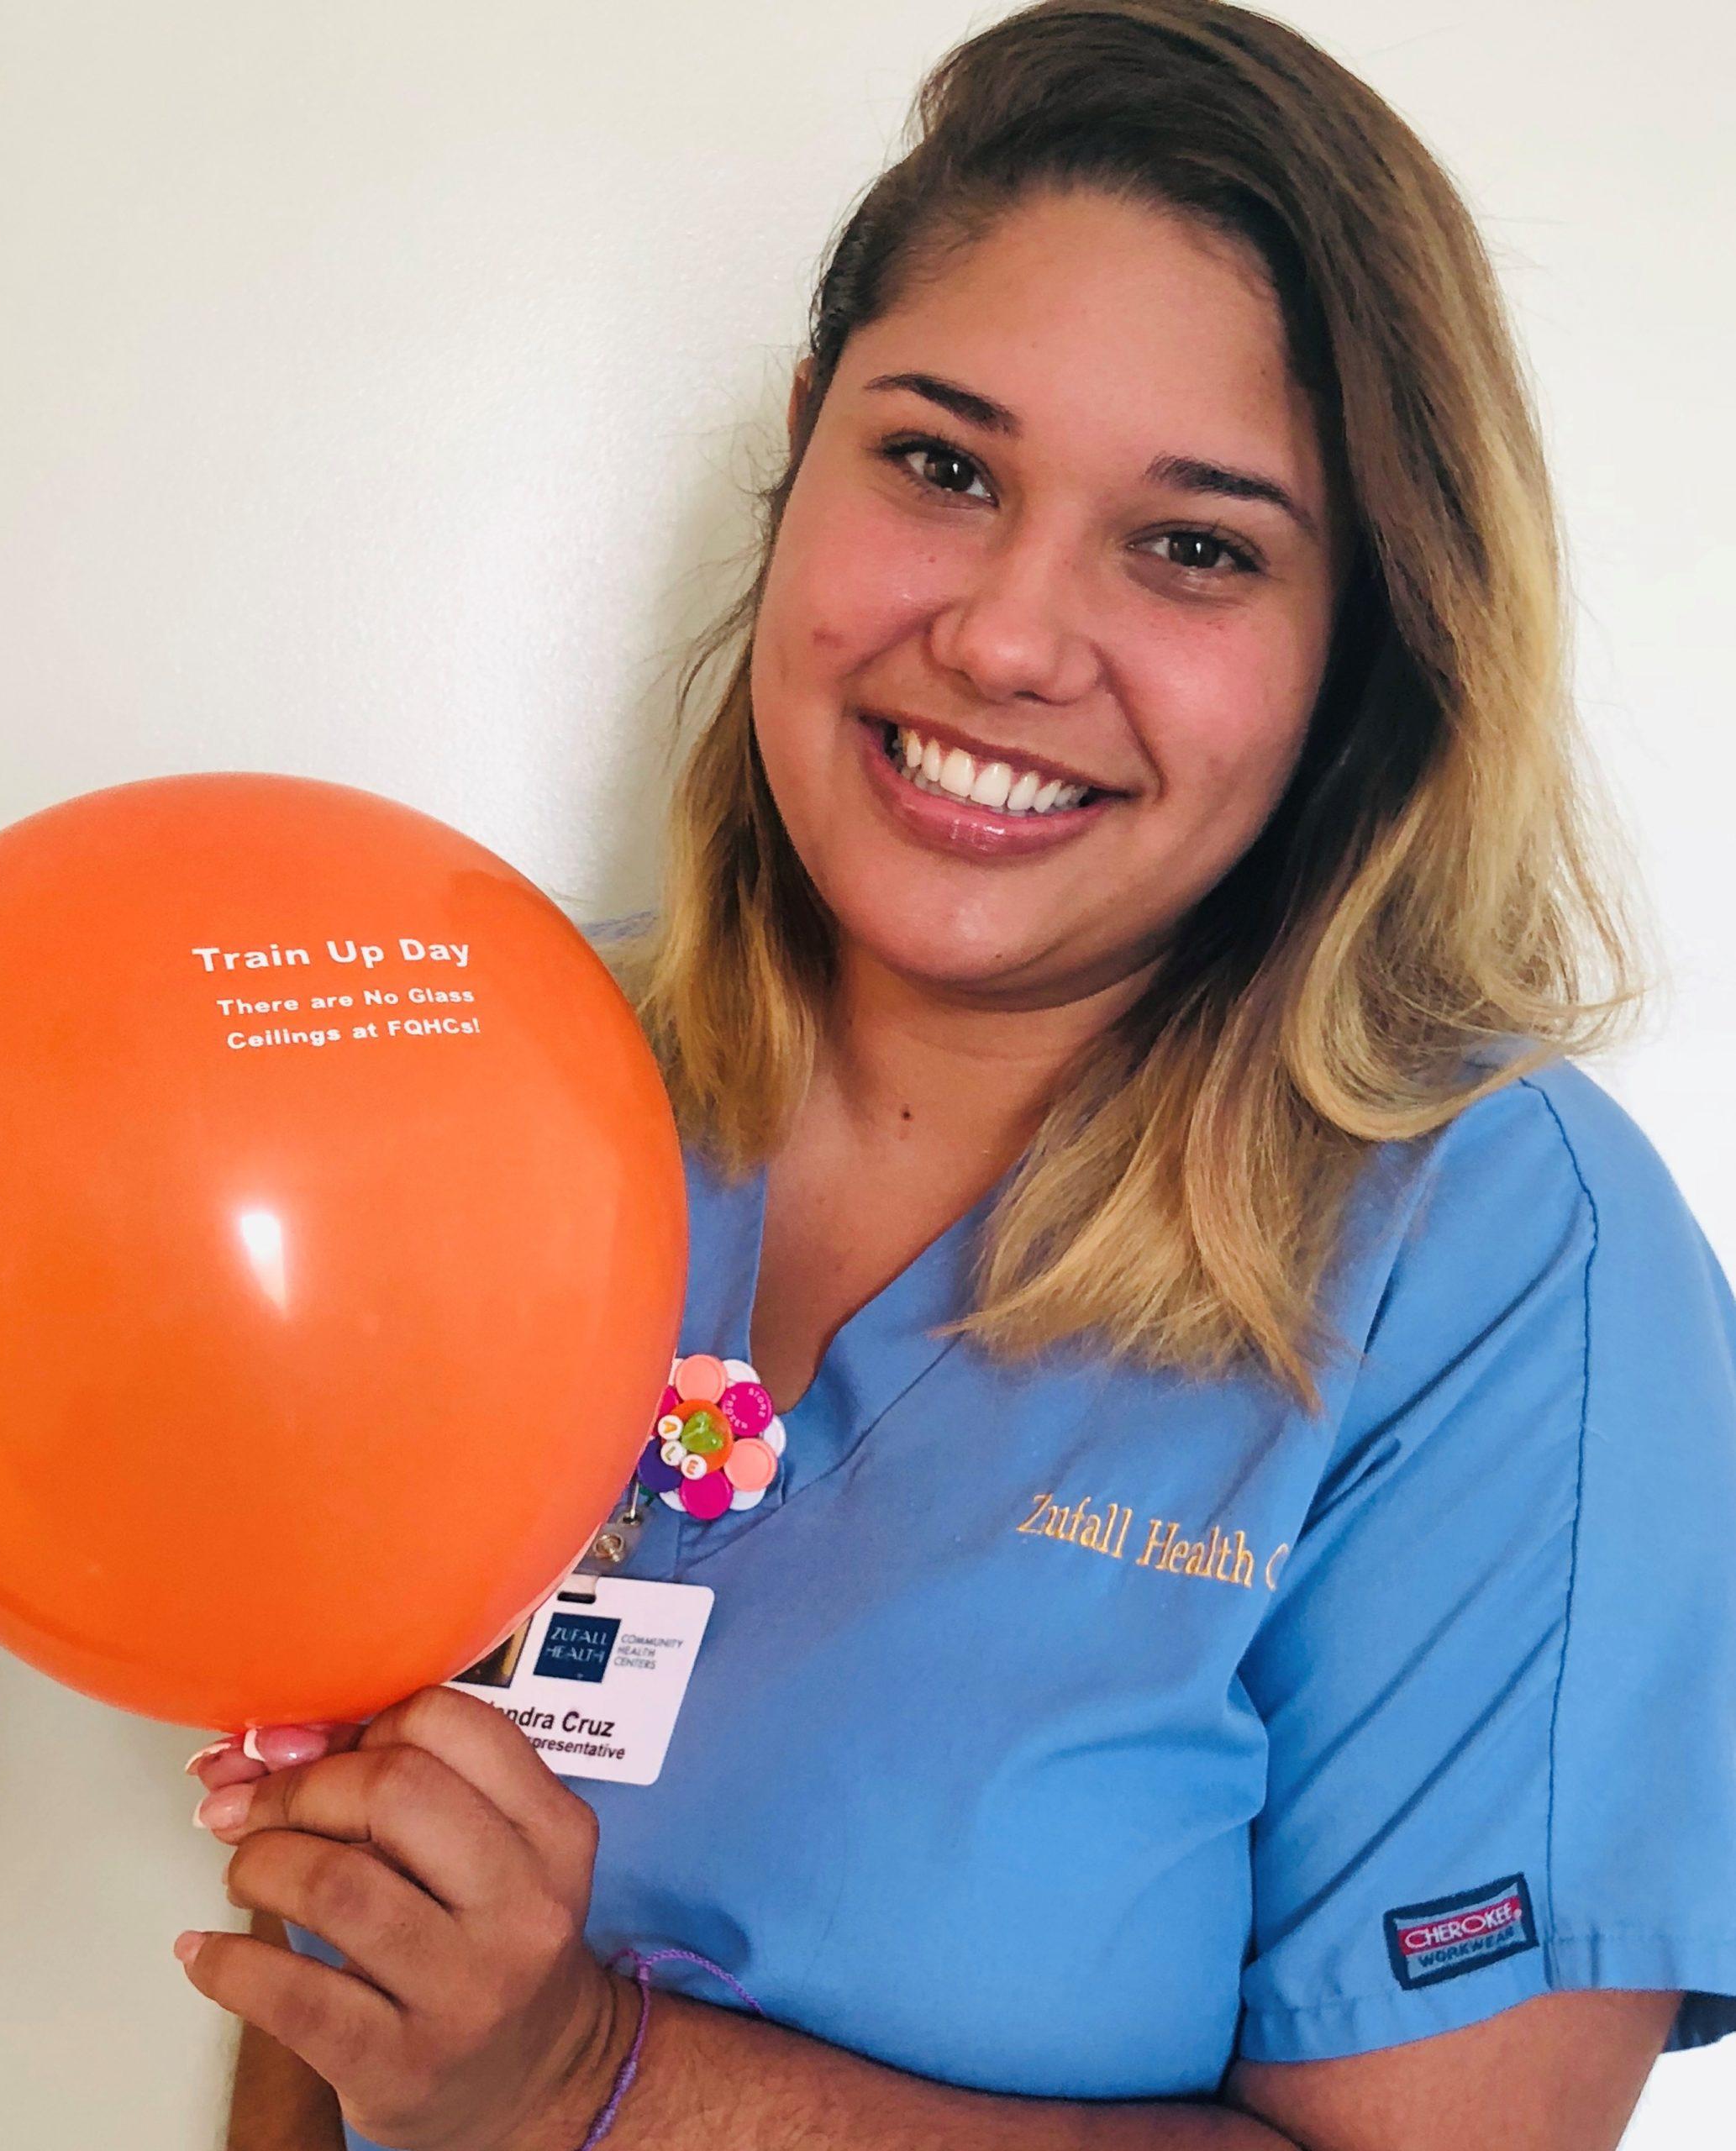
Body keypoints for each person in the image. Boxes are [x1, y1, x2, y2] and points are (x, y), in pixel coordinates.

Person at [181, 4, 1736, 2146]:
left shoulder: (1491, 1258)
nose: (1009, 636)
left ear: (1364, 639)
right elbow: (336, 1953)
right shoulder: (488, 1082)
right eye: (941, 463)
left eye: (1197, 544)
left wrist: (589, 2081)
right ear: (808, 441)